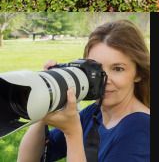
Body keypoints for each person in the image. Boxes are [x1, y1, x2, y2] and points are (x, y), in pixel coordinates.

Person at [17, 20, 150, 162]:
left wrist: (72, 133)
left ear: (138, 73)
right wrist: (47, 102)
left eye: (118, 69)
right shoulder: (94, 114)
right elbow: (29, 159)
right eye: (96, 69)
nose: (104, 80)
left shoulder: (141, 128)